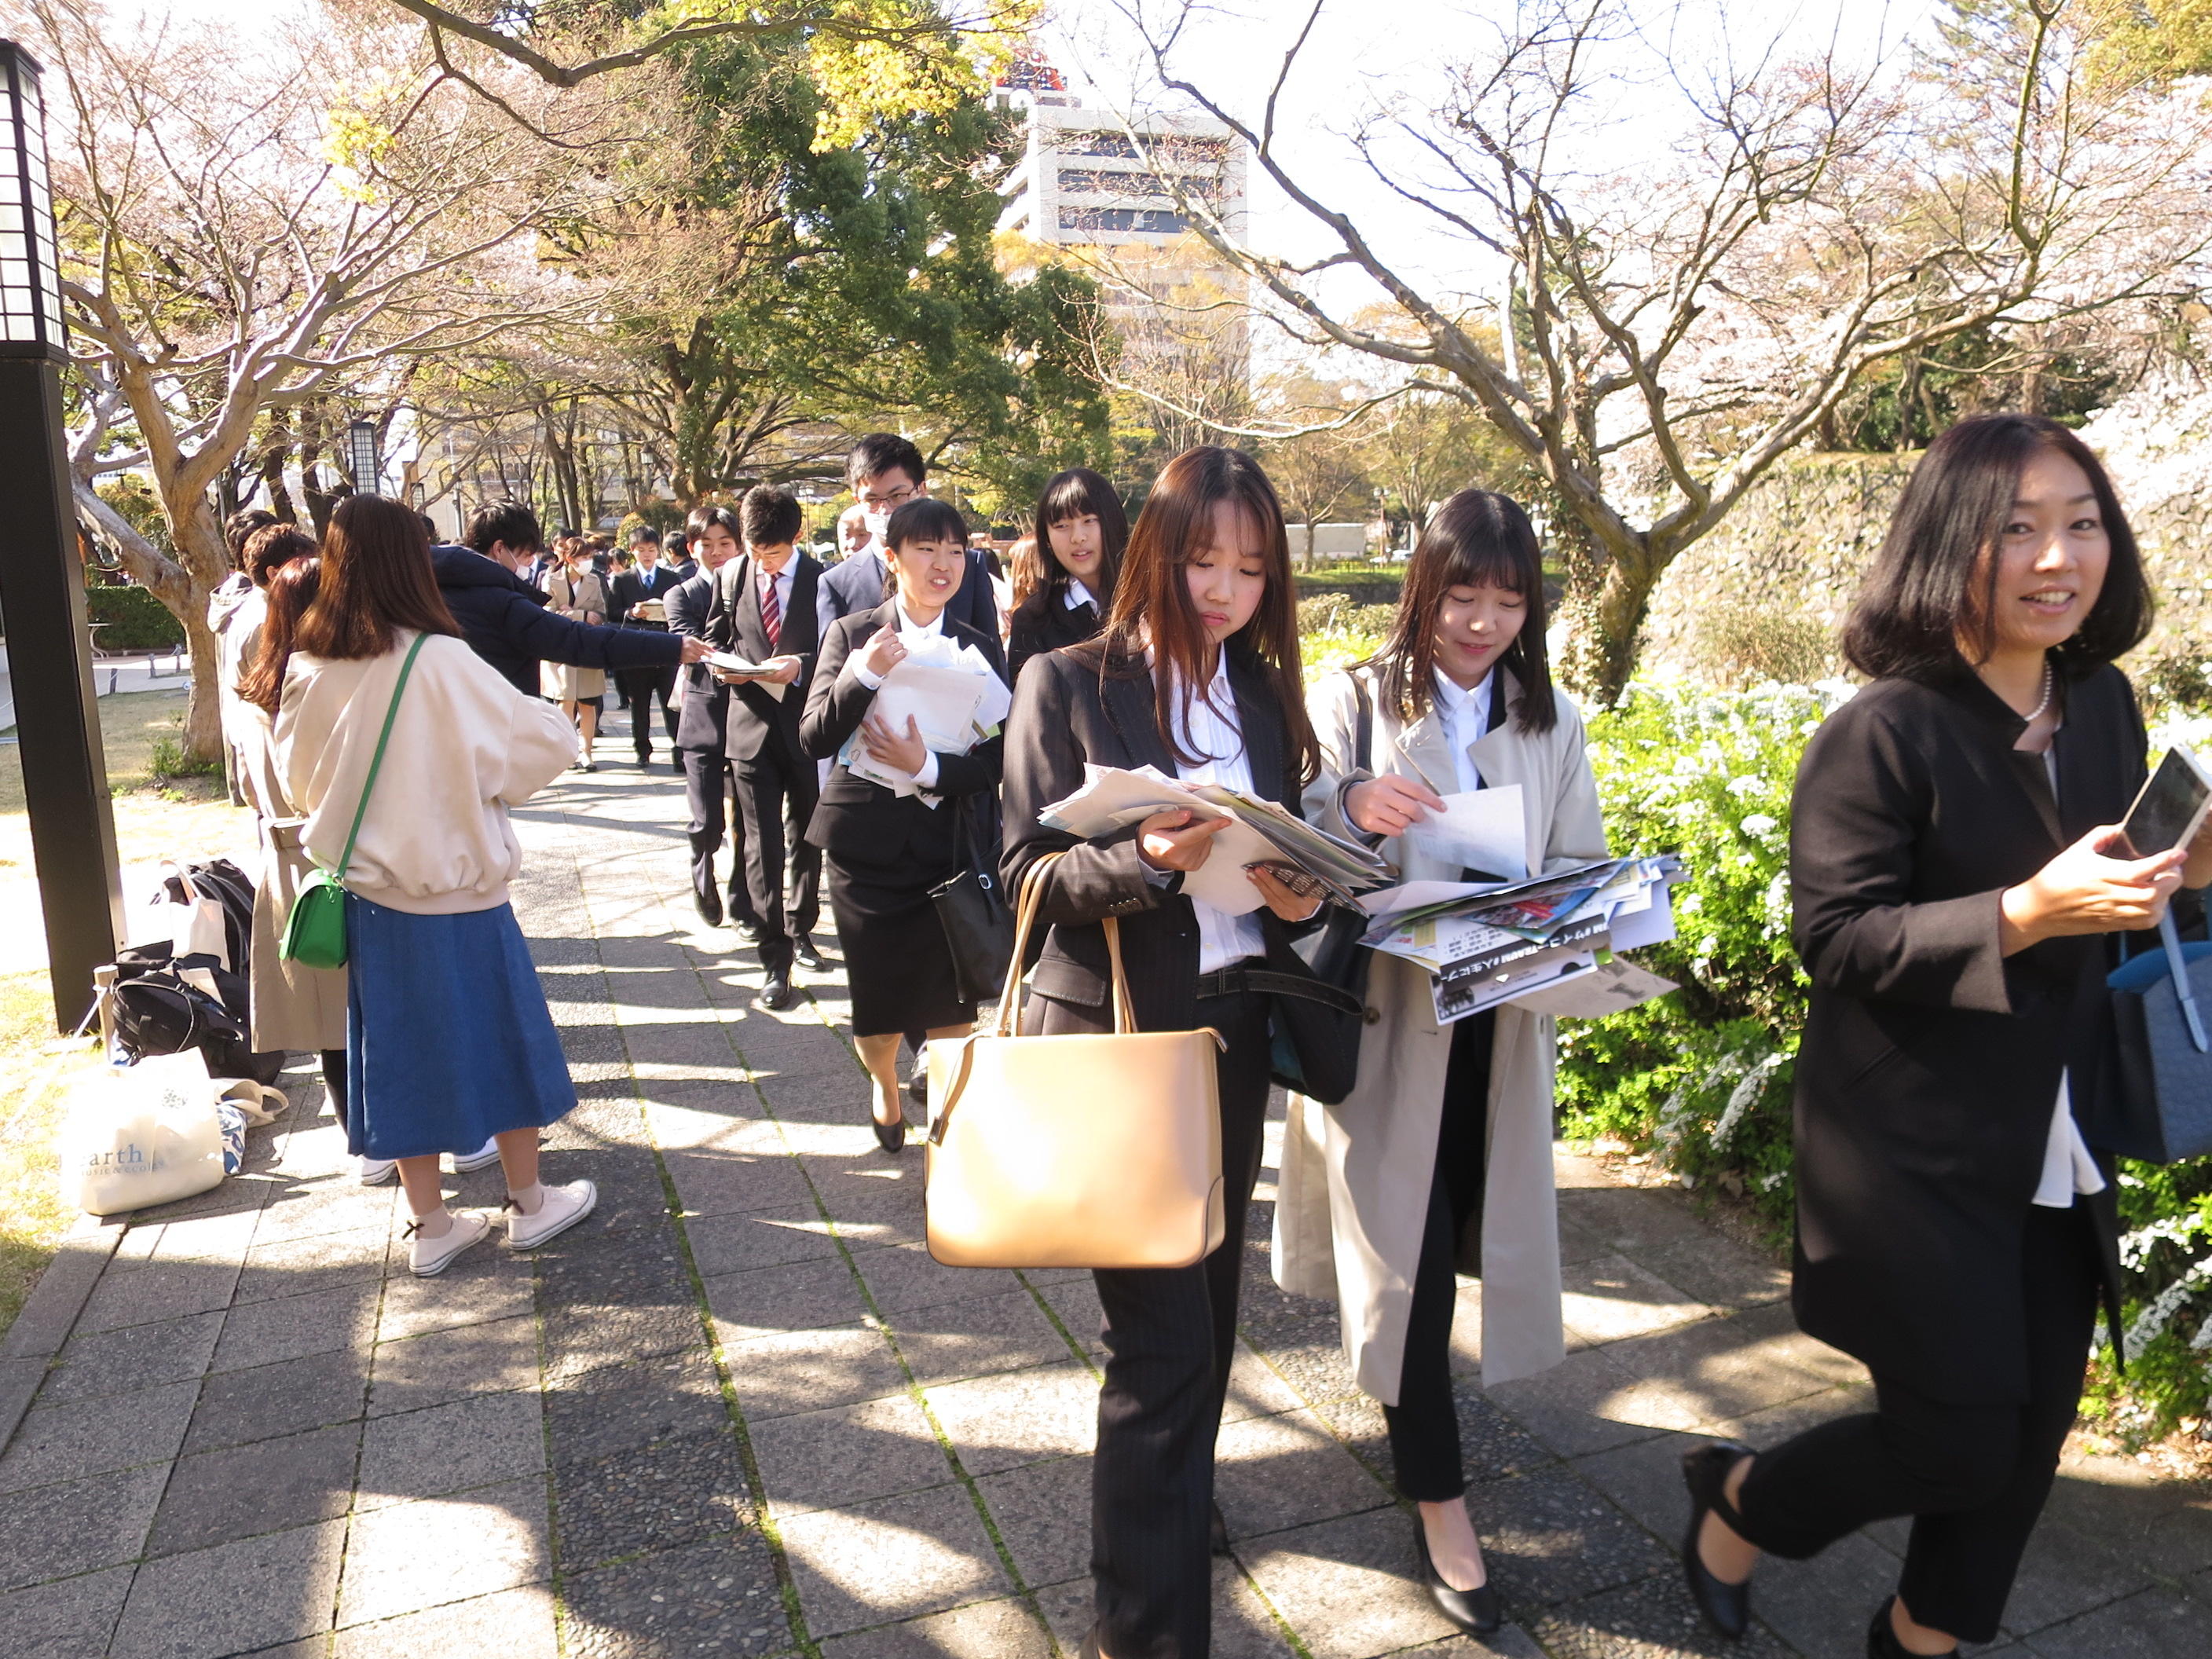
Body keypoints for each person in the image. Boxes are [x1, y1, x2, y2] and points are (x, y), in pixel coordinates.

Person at [1680, 415, 2212, 1659]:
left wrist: (2188, 879)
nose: (2055, 556)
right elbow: (1841, 941)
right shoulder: (1884, 732)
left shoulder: (2105, 706)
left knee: (2024, 1451)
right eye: (2015, 528)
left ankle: (1916, 1642)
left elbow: (2121, 906)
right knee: (1953, 1440)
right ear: (1949, 546)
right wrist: (2023, 915)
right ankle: (1742, 1499)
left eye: (2081, 522)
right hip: (1910, 1151)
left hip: (2060, 1129)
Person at [999, 445, 1324, 1659]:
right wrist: (1150, 861)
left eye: (1250, 566)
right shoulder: (1069, 681)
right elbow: (1026, 875)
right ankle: (1142, 1633)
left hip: (1232, 1040)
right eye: (1201, 559)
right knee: (1164, 1345)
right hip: (1121, 1049)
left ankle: (1175, 1518)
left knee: (1214, 1315)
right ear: (1156, 554)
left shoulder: (1264, 695)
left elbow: (1284, 876)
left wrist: (1303, 892)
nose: (1224, 587)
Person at [1273, 489, 1606, 1637]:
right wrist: (1357, 809)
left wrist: (1554, 909)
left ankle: (1411, 1424)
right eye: (1463, 593)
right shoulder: (1356, 697)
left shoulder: (1549, 721)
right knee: (1405, 1261)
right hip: (1388, 1029)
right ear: (1425, 585)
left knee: (1459, 1235)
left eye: (1509, 599)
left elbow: (1581, 863)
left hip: (1499, 1024)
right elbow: (1295, 844)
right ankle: (1444, 1506)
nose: (1482, 621)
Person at [277, 495, 596, 1277]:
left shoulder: (309, 667)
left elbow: (295, 785)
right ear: (414, 563)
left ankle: (431, 1225)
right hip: (461, 890)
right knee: (500, 1042)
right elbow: (541, 746)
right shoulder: (440, 659)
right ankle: (528, 1202)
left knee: (402, 1056)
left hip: (373, 899)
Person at [800, 496, 1009, 1148]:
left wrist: (929, 767)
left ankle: (948, 1141)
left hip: (945, 848)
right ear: (892, 558)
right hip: (864, 851)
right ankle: (885, 1083)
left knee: (951, 1010)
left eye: (956, 551)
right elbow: (814, 735)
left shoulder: (976, 645)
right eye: (927, 549)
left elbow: (1000, 755)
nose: (944, 564)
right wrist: (865, 672)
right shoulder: (852, 634)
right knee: (880, 1014)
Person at [708, 485, 826, 1007]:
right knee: (760, 846)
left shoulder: (824, 580)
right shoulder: (730, 576)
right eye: (756, 550)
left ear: (795, 538)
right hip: (750, 729)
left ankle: (803, 929)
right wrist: (725, 667)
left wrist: (799, 665)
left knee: (808, 836)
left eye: (772, 553)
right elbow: (716, 638)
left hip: (807, 726)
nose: (762, 560)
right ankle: (773, 955)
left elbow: (838, 648)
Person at [434, 501, 701, 698]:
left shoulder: (436, 591)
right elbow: (579, 640)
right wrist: (673, 646)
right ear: (500, 549)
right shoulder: (498, 601)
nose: (531, 564)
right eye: (527, 555)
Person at [666, 505, 760, 934]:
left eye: (726, 543)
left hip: (748, 714)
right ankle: (703, 875)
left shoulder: (753, 587)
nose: (718, 552)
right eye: (707, 545)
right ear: (692, 548)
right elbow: (690, 645)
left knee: (747, 818)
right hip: (704, 714)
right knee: (707, 818)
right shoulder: (680, 594)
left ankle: (744, 900)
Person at [816, 434, 999, 635]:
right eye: (873, 500)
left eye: (897, 496)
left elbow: (990, 654)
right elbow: (831, 663)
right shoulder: (837, 582)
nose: (885, 509)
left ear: (921, 489)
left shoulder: (968, 566)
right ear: (857, 500)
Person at [1008, 467, 1127, 686]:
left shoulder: (1149, 600)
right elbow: (1024, 713)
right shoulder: (1033, 620)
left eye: (1089, 520)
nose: (1077, 537)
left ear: (1112, 521)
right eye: (1062, 526)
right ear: (1046, 537)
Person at [610, 532, 687, 767]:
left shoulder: (671, 578)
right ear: (632, 551)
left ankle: (679, 751)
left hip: (666, 648)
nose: (647, 555)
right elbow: (612, 613)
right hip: (637, 648)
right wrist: (631, 613)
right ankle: (642, 749)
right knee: (639, 704)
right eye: (642, 550)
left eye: (652, 550)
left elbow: (681, 612)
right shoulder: (623, 580)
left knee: (672, 705)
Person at [543, 540, 612, 771]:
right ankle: (568, 751)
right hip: (560, 647)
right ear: (570, 559)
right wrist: (580, 614)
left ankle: (587, 752)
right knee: (565, 701)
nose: (587, 562)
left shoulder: (594, 580)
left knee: (588, 702)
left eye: (589, 557)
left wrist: (569, 612)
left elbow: (601, 612)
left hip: (587, 646)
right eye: (583, 558)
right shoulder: (551, 579)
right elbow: (547, 612)